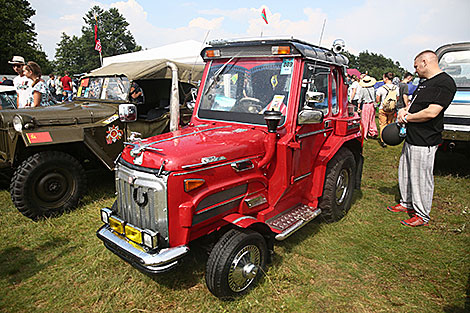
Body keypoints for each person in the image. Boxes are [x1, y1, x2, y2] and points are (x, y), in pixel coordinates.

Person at [388, 50, 457, 227]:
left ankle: (421, 214)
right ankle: (407, 202)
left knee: (421, 177)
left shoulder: (445, 83)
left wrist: (407, 118)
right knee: (406, 172)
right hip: (412, 136)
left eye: (416, 66)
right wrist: (405, 110)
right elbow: (415, 104)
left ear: (425, 62)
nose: (415, 71)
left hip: (425, 139)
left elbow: (432, 112)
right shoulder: (425, 83)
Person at [376, 72, 399, 147]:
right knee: (389, 124)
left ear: (386, 78)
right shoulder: (396, 88)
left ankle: (383, 140)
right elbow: (397, 98)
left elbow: (377, 100)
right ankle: (389, 138)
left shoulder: (381, 88)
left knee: (382, 124)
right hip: (391, 109)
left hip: (383, 108)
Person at [358, 75, 378, 139]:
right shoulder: (373, 89)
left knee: (365, 120)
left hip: (366, 105)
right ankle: (373, 132)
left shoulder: (362, 89)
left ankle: (364, 134)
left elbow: (360, 99)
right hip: (372, 105)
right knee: (372, 119)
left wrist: (358, 107)